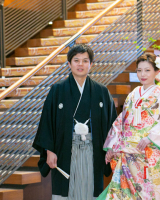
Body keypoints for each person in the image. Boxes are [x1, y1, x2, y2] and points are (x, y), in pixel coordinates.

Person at [32, 44, 117, 200]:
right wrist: (49, 150)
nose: (80, 64)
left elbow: (113, 124)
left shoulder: (101, 91)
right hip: (65, 149)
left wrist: (111, 147)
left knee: (90, 189)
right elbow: (47, 122)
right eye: (76, 60)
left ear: (91, 64)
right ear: (69, 64)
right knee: (65, 191)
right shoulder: (57, 90)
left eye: (85, 60)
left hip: (93, 150)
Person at [97, 53, 160, 200]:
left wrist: (151, 137)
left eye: (147, 70)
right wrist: (113, 146)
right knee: (125, 194)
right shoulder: (133, 95)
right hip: (130, 153)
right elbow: (121, 122)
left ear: (157, 72)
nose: (142, 74)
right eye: (139, 70)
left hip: (152, 153)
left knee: (153, 194)